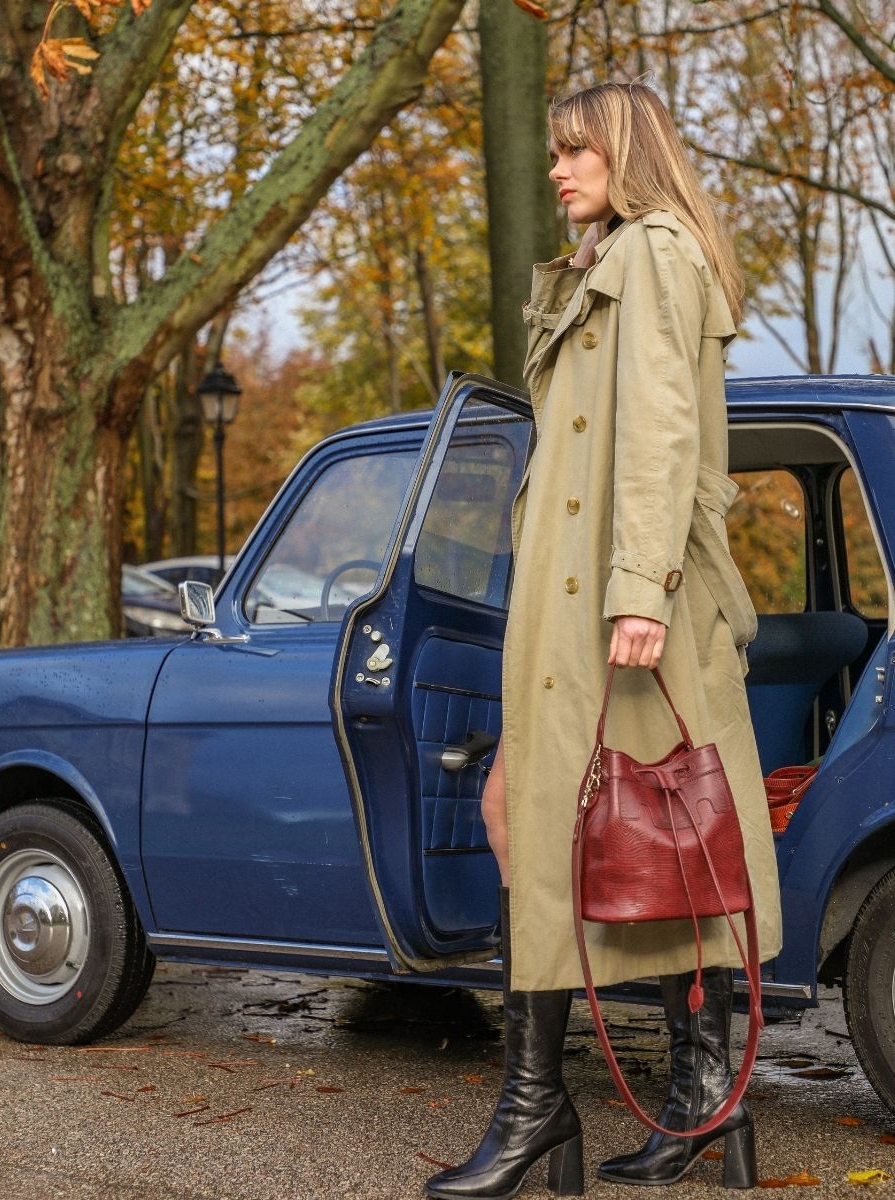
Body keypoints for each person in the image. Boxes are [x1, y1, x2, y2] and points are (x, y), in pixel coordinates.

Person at [425, 81, 783, 1198]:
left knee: (633, 832)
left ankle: (582, 1106)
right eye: (555, 153)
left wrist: (638, 590)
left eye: (577, 151)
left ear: (624, 151)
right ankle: (671, 1097)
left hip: (629, 612)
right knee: (610, 833)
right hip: (580, 606)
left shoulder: (657, 255)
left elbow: (661, 436)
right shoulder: (609, 265)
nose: (560, 171)